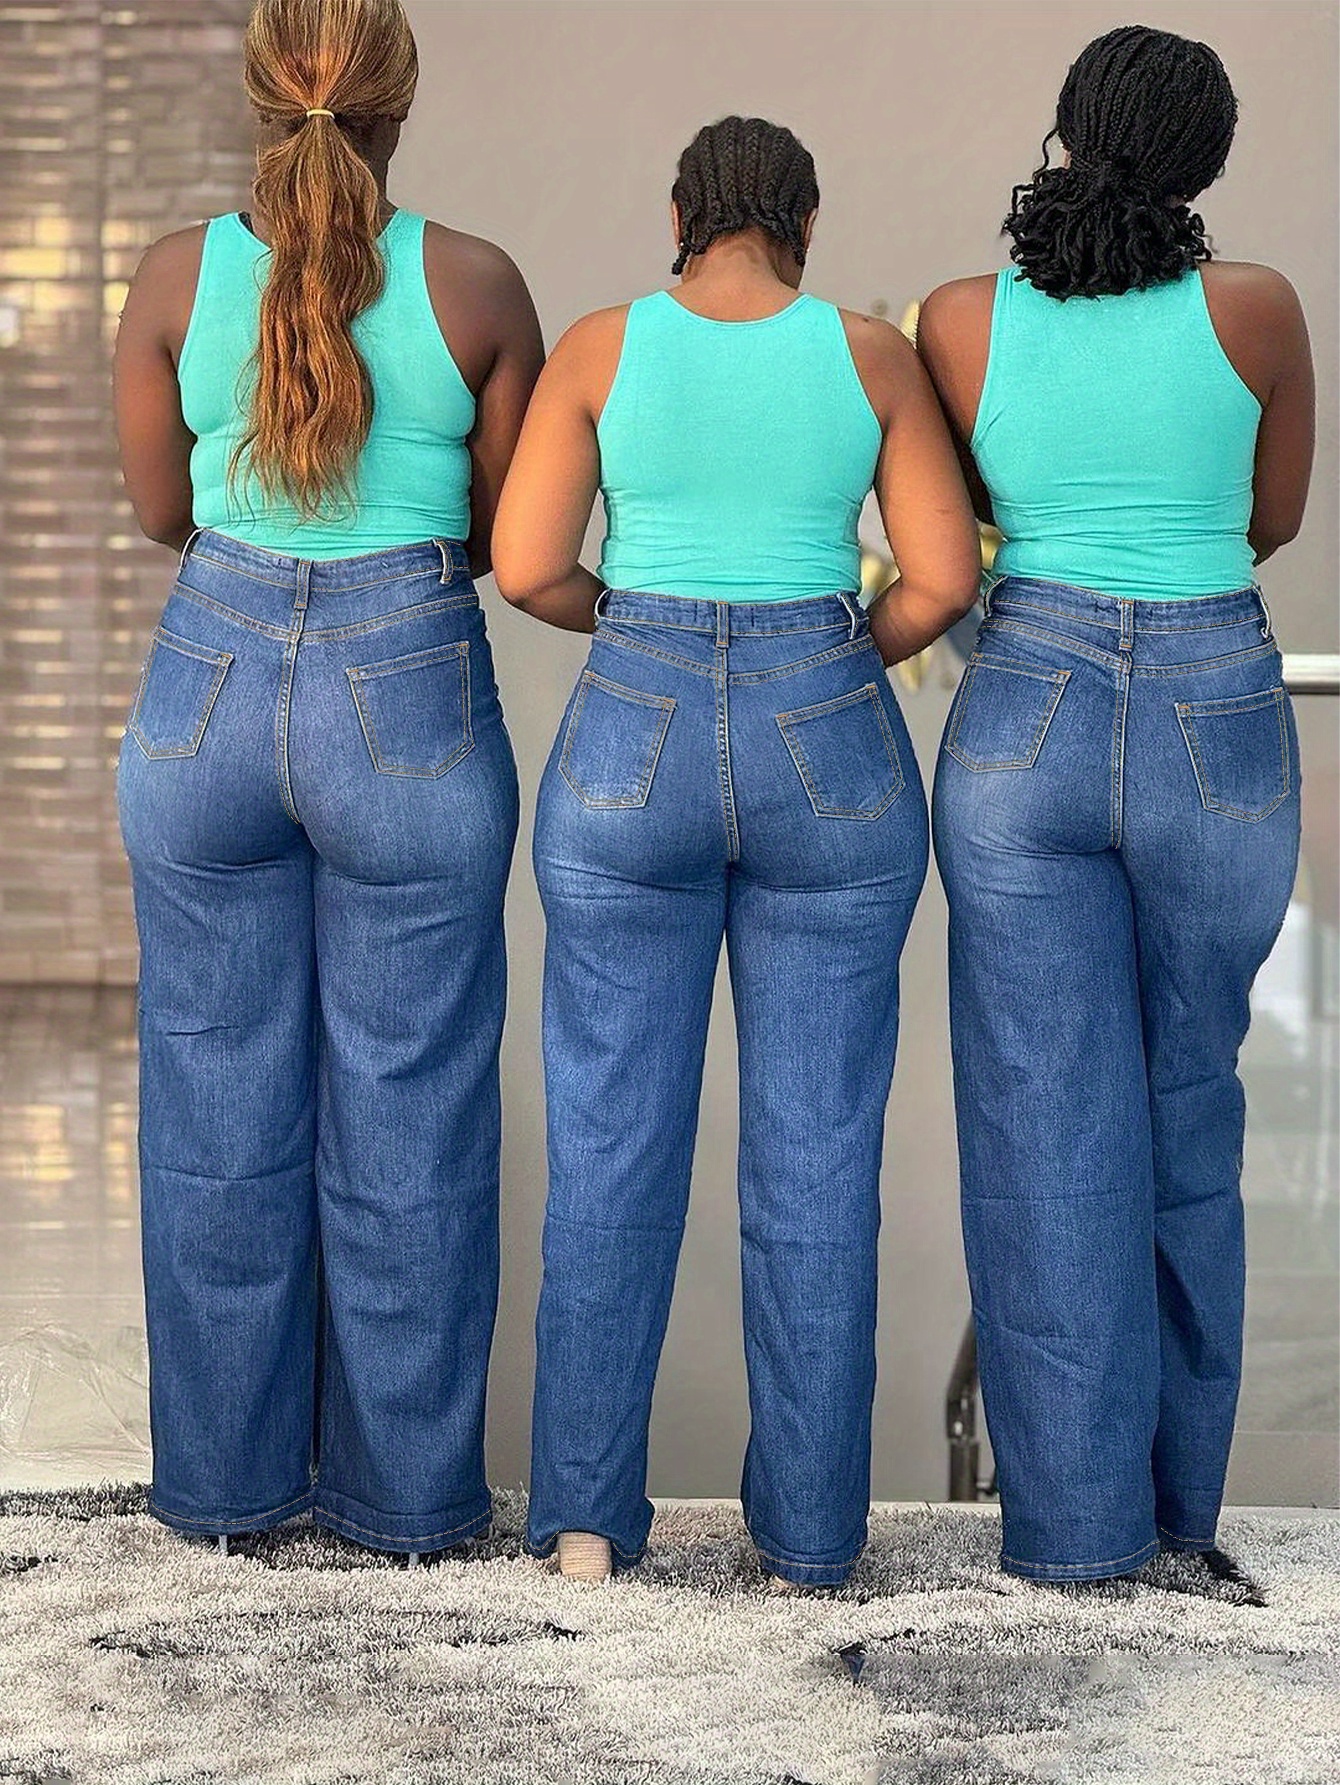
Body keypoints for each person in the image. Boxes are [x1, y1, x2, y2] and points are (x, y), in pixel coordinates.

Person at [492, 116, 980, 1585]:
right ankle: (812, 1541)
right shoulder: (869, 355)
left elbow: (525, 564)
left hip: (630, 736)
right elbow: (942, 578)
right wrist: (828, 656)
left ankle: (587, 1528)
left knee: (609, 1145)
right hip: (824, 732)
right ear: (805, 226)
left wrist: (639, 628)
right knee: (818, 1155)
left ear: (678, 216)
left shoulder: (599, 347)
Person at [113, 0, 542, 1558]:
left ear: (257, 100)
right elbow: (503, 536)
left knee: (213, 1100)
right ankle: (402, 1507)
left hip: (208, 687)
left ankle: (227, 1496)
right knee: (410, 1107)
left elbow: (163, 508)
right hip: (405, 691)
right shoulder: (478, 284)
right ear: (397, 105)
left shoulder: (174, 278)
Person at [917, 25, 1314, 1585]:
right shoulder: (1259, 308)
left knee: (1042, 1127)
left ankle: (1075, 1537)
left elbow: (965, 521)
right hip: (1217, 702)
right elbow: (1269, 517)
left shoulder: (963, 318)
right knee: (1189, 1110)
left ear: (1067, 132)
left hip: (1032, 699)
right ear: (1207, 161)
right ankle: (1182, 1526)